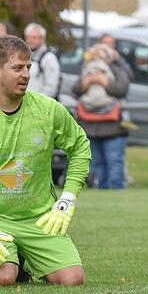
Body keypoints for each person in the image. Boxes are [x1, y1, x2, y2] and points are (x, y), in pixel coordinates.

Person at [0, 35, 90, 286]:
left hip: (39, 217)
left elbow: (80, 146)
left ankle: (23, 257)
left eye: (29, 67)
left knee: (72, 279)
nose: (26, 75)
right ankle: (15, 266)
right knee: (4, 278)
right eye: (17, 68)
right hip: (0, 219)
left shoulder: (49, 110)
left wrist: (68, 197)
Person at [72, 43, 131, 189]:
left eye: (102, 53)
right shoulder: (87, 69)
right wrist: (87, 83)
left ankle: (116, 192)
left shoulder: (117, 70)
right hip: (90, 125)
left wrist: (105, 83)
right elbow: (75, 89)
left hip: (114, 126)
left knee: (114, 162)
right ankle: (101, 190)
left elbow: (122, 89)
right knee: (97, 163)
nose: (98, 56)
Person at [24, 23, 60, 99]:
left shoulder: (49, 58)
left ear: (42, 39)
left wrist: (36, 103)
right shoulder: (25, 57)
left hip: (40, 106)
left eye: (34, 37)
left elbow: (51, 88)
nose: (30, 40)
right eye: (28, 37)